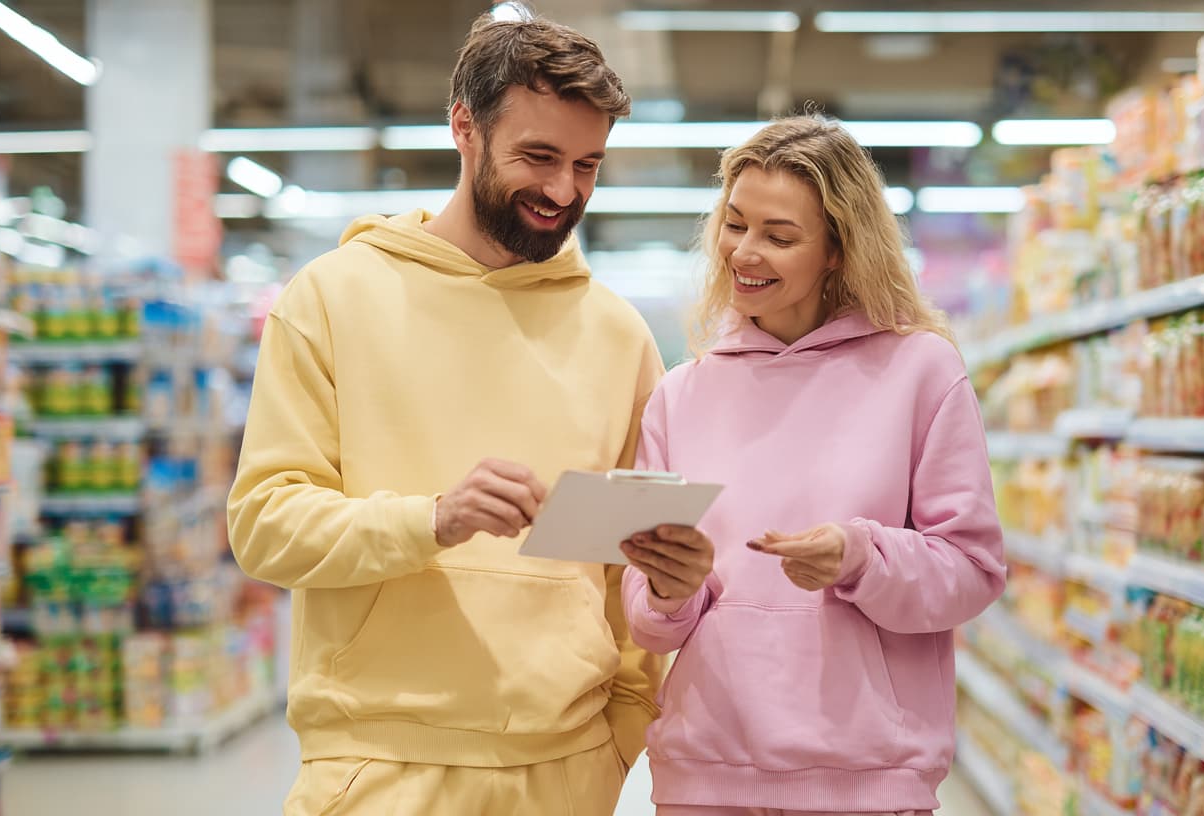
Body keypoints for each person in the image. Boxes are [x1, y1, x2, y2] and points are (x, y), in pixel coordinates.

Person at [227, 10, 665, 815]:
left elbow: (632, 563)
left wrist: (621, 737)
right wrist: (431, 519)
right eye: (538, 157)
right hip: (377, 767)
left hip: (566, 772)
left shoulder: (618, 336)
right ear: (463, 126)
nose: (564, 190)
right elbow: (263, 524)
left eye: (588, 164)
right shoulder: (332, 298)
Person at [619, 115, 1007, 816]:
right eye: (735, 224)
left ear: (837, 249)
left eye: (780, 235)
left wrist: (860, 557)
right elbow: (649, 622)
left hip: (867, 781)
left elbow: (972, 571)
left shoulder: (919, 371)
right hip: (706, 776)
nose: (745, 252)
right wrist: (671, 589)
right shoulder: (682, 395)